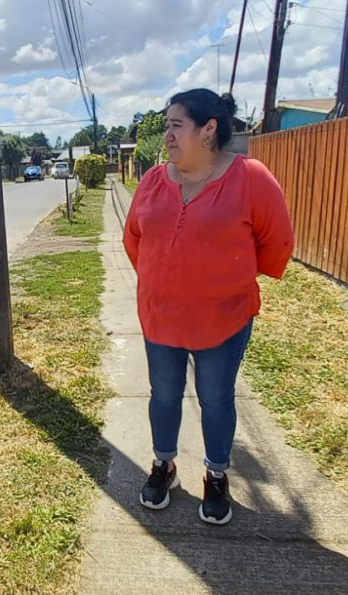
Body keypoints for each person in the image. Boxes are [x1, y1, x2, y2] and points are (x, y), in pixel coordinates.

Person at [123, 89, 293, 524]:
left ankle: (216, 475)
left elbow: (276, 242)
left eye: (176, 125)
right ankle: (164, 465)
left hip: (224, 318)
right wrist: (164, 281)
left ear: (208, 129)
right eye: (167, 126)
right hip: (161, 316)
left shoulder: (250, 177)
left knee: (215, 398)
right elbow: (134, 239)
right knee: (163, 395)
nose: (168, 135)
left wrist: (225, 283)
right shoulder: (153, 180)